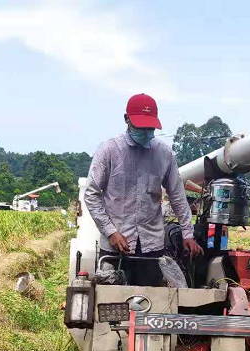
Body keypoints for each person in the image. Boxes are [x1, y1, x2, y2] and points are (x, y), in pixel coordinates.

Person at [84, 93, 202, 286]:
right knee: (112, 305)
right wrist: (111, 232)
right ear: (126, 119)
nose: (146, 132)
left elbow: (178, 196)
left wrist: (188, 234)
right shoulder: (109, 151)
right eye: (141, 127)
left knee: (151, 304)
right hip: (115, 247)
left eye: (150, 128)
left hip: (151, 247)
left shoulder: (164, 154)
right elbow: (91, 194)